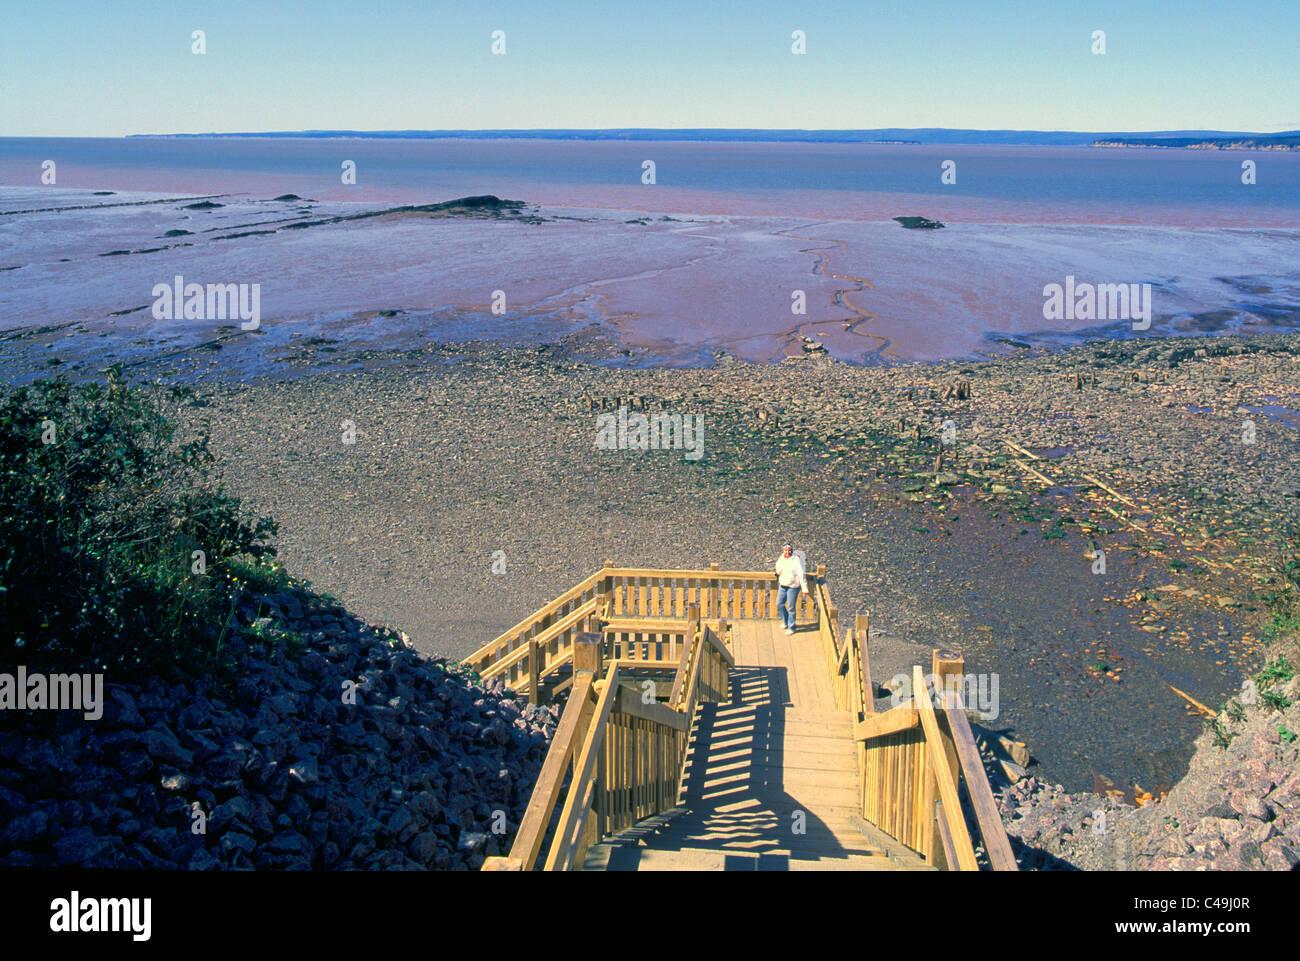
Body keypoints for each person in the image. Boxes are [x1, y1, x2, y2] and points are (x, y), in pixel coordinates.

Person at [774, 543, 808, 635]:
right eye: (786, 550)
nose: (787, 552)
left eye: (789, 550)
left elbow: (801, 573)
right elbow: (778, 565)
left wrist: (805, 589)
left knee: (791, 607)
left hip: (793, 587)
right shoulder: (781, 558)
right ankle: (785, 621)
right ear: (783, 551)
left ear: (792, 551)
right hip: (783, 585)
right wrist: (778, 571)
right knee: (779, 604)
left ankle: (791, 626)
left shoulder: (796, 560)